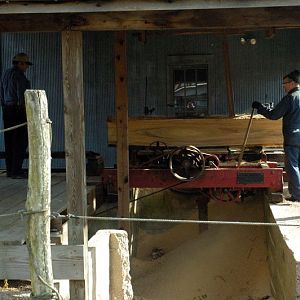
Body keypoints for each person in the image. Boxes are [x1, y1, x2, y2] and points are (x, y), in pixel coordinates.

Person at [252, 70, 300, 202]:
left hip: (293, 138)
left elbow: (274, 115)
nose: (284, 86)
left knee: (293, 166)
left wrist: (260, 107)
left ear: (292, 83)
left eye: (285, 83)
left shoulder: (290, 98)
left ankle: (297, 195)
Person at [0, 53, 32, 179]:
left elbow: (1, 92)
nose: (26, 67)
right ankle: (16, 170)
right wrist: (24, 109)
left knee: (9, 141)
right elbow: (21, 94)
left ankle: (10, 170)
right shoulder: (19, 76)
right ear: (20, 63)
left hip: (6, 109)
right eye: (25, 64)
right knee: (20, 140)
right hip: (17, 110)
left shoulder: (5, 74)